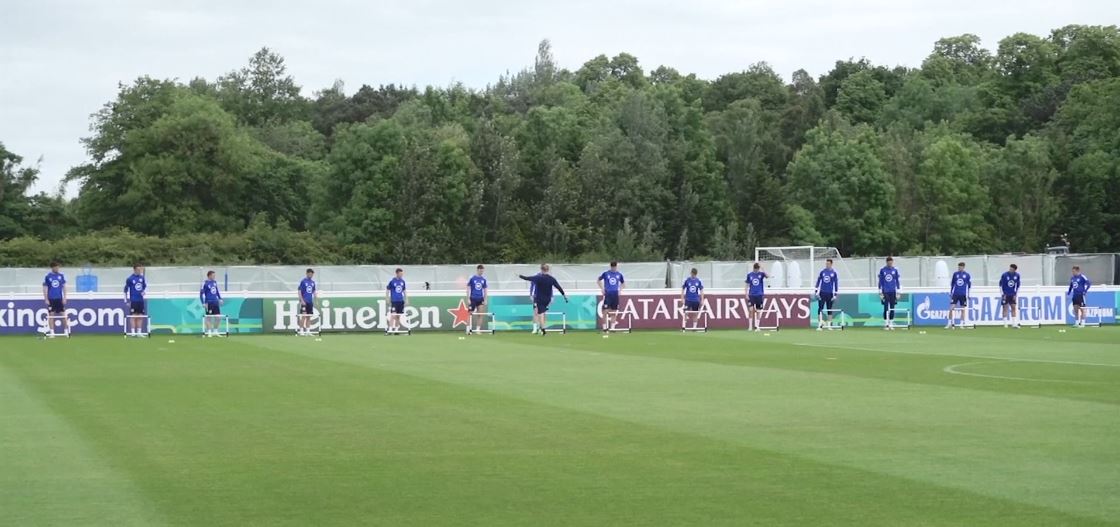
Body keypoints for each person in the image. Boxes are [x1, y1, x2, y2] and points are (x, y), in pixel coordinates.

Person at [518, 264, 568, 335]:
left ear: (541, 269)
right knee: (543, 313)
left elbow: (527, 278)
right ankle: (542, 328)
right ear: (548, 270)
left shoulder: (538, 277)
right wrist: (564, 295)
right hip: (547, 299)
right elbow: (559, 287)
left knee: (540, 313)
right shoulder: (552, 279)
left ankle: (543, 329)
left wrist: (519, 276)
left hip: (539, 298)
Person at [42, 261, 69, 335]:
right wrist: (46, 299)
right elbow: (45, 288)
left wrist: (65, 297)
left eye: (58, 267)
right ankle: (52, 332)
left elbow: (64, 287)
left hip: (59, 298)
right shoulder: (48, 277)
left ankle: (66, 331)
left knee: (63, 314)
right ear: (52, 268)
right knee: (51, 315)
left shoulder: (61, 276)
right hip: (51, 299)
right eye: (56, 267)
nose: (57, 268)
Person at [597, 261, 625, 332]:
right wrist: (602, 288)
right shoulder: (606, 273)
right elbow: (598, 280)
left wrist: (620, 290)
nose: (613, 268)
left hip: (615, 295)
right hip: (608, 294)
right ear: (610, 266)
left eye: (614, 266)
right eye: (612, 266)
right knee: (605, 311)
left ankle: (612, 328)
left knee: (614, 312)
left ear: (616, 266)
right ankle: (604, 328)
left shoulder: (619, 274)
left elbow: (623, 283)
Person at [814, 259, 839, 330]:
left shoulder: (834, 273)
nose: (827, 265)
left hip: (830, 293)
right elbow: (818, 282)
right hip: (822, 293)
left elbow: (836, 284)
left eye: (828, 264)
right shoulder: (822, 272)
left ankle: (829, 325)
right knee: (820, 308)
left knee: (829, 309)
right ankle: (820, 325)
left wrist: (835, 294)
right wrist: (816, 292)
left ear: (831, 264)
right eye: (826, 263)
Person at [947, 262, 972, 329]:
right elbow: (952, 284)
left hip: (963, 294)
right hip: (955, 293)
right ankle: (949, 323)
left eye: (961, 267)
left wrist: (969, 294)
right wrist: (951, 292)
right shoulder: (955, 274)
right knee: (951, 308)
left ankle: (961, 324)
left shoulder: (967, 275)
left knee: (962, 309)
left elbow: (969, 286)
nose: (959, 268)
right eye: (959, 267)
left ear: (963, 267)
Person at [878, 257, 901, 330]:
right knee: (885, 308)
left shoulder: (895, 270)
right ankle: (886, 323)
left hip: (893, 291)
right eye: (889, 262)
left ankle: (891, 323)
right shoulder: (883, 270)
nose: (890, 263)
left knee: (892, 307)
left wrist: (898, 292)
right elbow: (880, 281)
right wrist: (880, 292)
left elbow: (897, 281)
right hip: (885, 291)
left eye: (891, 262)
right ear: (887, 262)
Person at [124, 264, 147, 336]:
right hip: (133, 300)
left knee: (140, 316)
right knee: (133, 316)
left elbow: (143, 287)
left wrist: (143, 291)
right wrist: (126, 301)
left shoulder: (142, 278)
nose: (139, 270)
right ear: (134, 270)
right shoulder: (130, 279)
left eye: (140, 269)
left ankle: (139, 332)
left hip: (141, 300)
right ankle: (133, 332)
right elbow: (125, 290)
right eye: (138, 269)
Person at [745, 263, 768, 331]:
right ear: (754, 268)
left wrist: (763, 268)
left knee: (758, 311)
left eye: (757, 269)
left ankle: (757, 326)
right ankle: (750, 327)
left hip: (759, 295)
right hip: (751, 295)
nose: (756, 270)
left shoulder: (761, 274)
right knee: (751, 310)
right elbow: (747, 285)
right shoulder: (750, 275)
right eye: (755, 269)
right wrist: (746, 294)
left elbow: (767, 276)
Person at [466, 265, 488, 334]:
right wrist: (468, 298)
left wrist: (485, 299)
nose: (482, 272)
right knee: (470, 314)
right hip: (472, 298)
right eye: (481, 270)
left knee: (480, 314)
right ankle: (468, 330)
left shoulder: (483, 279)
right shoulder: (472, 278)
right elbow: (468, 288)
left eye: (483, 271)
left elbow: (485, 290)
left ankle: (478, 330)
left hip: (480, 299)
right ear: (477, 270)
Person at [200, 270, 223, 336]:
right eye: (213, 275)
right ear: (209, 276)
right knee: (208, 317)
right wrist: (203, 303)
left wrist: (220, 298)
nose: (214, 276)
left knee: (218, 317)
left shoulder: (215, 282)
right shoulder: (205, 283)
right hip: (208, 302)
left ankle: (215, 331)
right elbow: (201, 294)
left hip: (215, 302)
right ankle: (209, 331)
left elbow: (217, 291)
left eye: (214, 275)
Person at [999, 264, 1022, 328]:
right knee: (1005, 308)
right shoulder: (1004, 275)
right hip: (1005, 294)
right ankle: (1005, 324)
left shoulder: (1017, 275)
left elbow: (1018, 286)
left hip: (1012, 294)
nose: (1010, 270)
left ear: (1014, 270)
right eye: (1010, 268)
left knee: (1013, 307)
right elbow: (1000, 285)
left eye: (1011, 269)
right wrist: (1002, 294)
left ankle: (1014, 323)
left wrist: (1016, 294)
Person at [386, 268, 407, 333]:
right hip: (394, 300)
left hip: (401, 300)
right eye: (400, 273)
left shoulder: (402, 281)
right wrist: (387, 298)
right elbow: (387, 290)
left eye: (402, 274)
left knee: (398, 316)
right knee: (393, 315)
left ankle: (396, 330)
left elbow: (404, 290)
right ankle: (390, 329)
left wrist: (406, 299)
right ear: (397, 273)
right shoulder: (392, 281)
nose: (402, 275)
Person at [297, 268, 318, 336]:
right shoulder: (303, 281)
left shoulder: (313, 282)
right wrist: (302, 300)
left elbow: (314, 291)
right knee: (303, 316)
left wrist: (316, 298)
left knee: (309, 316)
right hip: (304, 301)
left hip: (310, 302)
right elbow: (299, 291)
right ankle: (301, 331)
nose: (310, 275)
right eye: (309, 273)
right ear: (306, 273)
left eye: (311, 274)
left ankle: (308, 331)